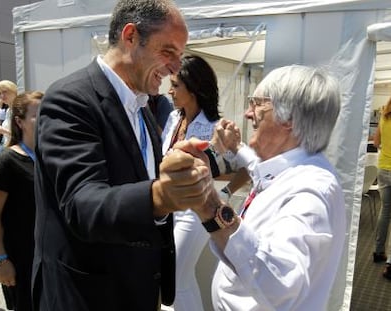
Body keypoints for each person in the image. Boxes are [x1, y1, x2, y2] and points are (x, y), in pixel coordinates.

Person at [32, 1, 210, 310]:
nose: (175, 68)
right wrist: (160, 195)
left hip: (134, 290)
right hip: (87, 295)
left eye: (180, 56)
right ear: (130, 37)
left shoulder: (141, 107)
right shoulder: (70, 99)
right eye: (168, 52)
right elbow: (82, 204)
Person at [163, 65, 346, 310]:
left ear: (289, 118)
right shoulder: (294, 170)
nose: (248, 113)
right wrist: (235, 148)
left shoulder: (311, 190)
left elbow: (281, 285)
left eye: (258, 104)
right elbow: (258, 169)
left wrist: (208, 202)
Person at [161, 55, 221, 311]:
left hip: (194, 213)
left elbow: (233, 168)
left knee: (175, 278)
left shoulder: (214, 127)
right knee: (183, 279)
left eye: (175, 85)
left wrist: (225, 187)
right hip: (169, 208)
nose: (169, 90)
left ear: (194, 88)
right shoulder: (174, 119)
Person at [0, 91, 43, 311]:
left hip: (49, 255)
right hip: (22, 258)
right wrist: (1, 260)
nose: (46, 120)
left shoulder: (50, 157)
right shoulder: (5, 162)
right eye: (39, 115)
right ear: (19, 121)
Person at [372, 97, 391, 279]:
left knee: (385, 212)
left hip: (384, 168)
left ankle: (378, 252)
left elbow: (376, 143)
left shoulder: (384, 116)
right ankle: (390, 264)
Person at [0, 80, 18, 154]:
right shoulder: (9, 110)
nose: (2, 95)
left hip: (17, 150)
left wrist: (3, 130)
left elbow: (23, 135)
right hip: (8, 146)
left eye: (5, 91)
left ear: (14, 91)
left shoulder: (19, 110)